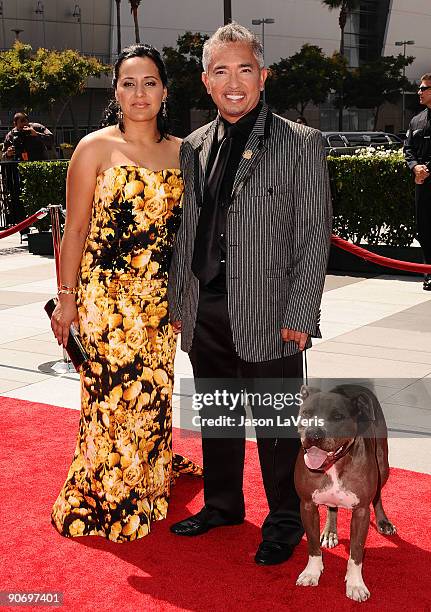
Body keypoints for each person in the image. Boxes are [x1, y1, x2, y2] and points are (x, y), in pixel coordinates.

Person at [168, 23, 332, 565]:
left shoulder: (300, 142)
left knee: (278, 429)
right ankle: (222, 505)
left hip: (271, 312)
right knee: (218, 416)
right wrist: (180, 306)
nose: (233, 82)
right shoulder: (192, 147)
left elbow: (312, 236)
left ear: (263, 75)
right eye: (221, 72)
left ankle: (284, 520)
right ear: (206, 82)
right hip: (206, 308)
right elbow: (186, 231)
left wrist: (302, 313)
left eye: (244, 69)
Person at [50, 44, 201, 542]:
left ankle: (149, 480)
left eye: (150, 82)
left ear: (165, 89)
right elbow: (75, 232)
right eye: (129, 83)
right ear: (115, 91)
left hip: (158, 303)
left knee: (152, 397)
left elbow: (191, 237)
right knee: (107, 400)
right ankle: (106, 491)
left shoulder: (185, 152)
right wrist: (66, 297)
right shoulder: (93, 148)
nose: (140, 93)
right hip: (104, 302)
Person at [404, 73, 431, 290]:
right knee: (424, 228)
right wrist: (415, 167)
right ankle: (428, 272)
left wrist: (427, 169)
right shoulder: (416, 120)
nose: (419, 92)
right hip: (422, 184)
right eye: (420, 88)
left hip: (426, 176)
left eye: (424, 88)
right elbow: (408, 149)